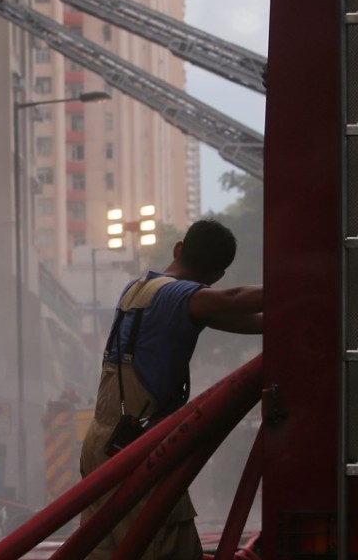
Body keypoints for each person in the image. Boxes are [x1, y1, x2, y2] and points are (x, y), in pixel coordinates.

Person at [79, 219, 263, 559]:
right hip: (139, 450)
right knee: (162, 543)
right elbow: (234, 300)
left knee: (103, 546)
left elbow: (246, 321)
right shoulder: (180, 296)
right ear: (218, 276)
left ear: (178, 248)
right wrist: (303, 288)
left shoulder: (138, 290)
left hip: (101, 443)